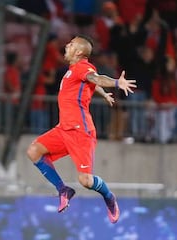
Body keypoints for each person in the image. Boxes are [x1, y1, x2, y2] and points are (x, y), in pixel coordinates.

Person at [26, 35, 136, 223]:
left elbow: (96, 77)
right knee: (34, 151)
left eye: (71, 44)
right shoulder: (73, 71)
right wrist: (103, 93)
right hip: (64, 129)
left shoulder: (83, 67)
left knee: (85, 181)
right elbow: (92, 82)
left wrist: (117, 82)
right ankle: (63, 189)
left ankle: (109, 196)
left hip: (80, 131)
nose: (66, 45)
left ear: (78, 52)